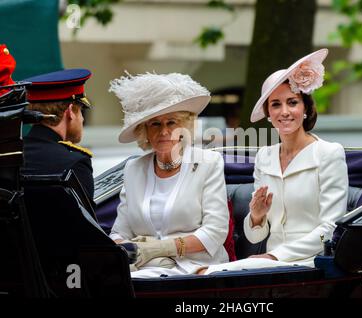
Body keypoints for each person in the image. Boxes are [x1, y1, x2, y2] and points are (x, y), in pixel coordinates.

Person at [201, 48, 349, 274]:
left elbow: (330, 229)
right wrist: (257, 216)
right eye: (276, 104)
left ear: (306, 108)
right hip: (269, 264)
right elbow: (255, 235)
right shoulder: (264, 156)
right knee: (205, 273)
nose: (285, 111)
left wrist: (275, 256)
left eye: (292, 102)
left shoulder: (328, 153)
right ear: (269, 114)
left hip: (311, 262)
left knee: (210, 274)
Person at [108, 72, 230, 278]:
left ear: (184, 126)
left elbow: (215, 232)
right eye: (155, 123)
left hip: (196, 269)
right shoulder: (133, 169)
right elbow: (119, 232)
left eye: (171, 122)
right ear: (144, 131)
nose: (164, 131)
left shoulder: (208, 163)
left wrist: (161, 248)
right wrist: (130, 249)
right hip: (144, 268)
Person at [22, 68, 95, 202]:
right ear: (70, 112)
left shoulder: (10, 155)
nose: (82, 120)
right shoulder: (74, 163)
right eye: (80, 111)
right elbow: (82, 222)